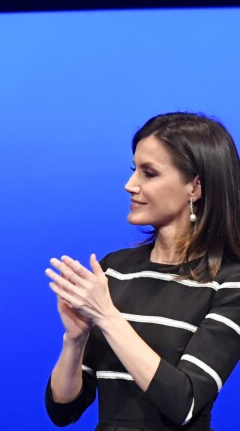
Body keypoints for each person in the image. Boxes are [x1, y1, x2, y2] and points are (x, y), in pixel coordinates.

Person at [45, 112, 240, 430]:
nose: (130, 185)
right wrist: (75, 339)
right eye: (134, 169)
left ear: (196, 187)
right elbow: (63, 410)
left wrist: (107, 317)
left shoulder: (230, 284)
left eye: (149, 173)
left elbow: (185, 403)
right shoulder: (115, 270)